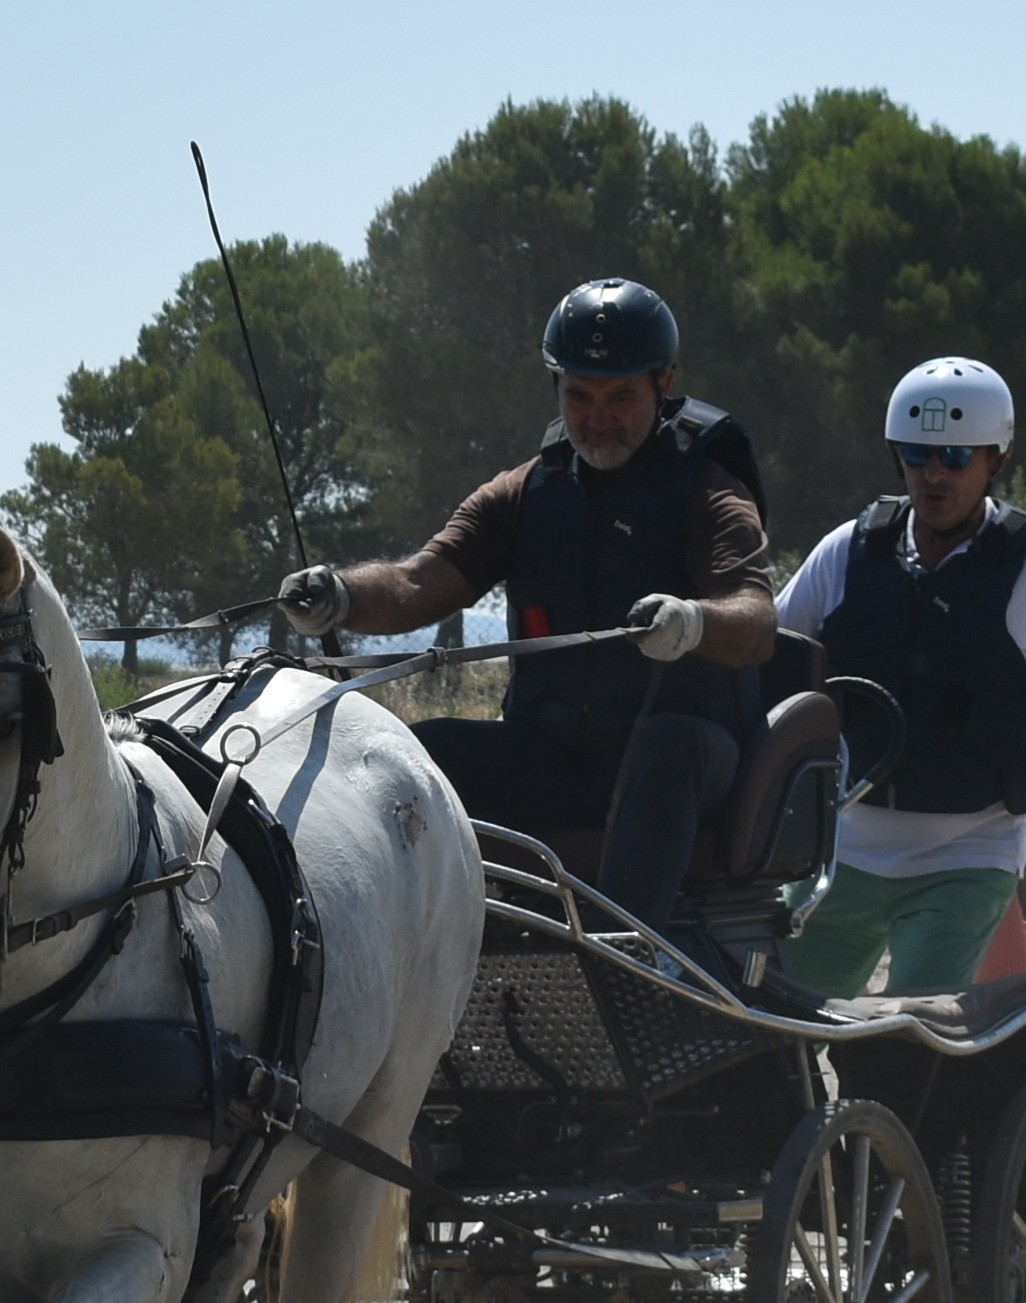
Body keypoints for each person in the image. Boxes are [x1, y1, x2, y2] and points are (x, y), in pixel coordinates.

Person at [274, 278, 775, 927]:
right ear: (556, 387)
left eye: (621, 397)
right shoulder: (522, 495)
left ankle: (626, 959)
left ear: (664, 382)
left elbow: (756, 621)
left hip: (692, 764)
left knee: (669, 746)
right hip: (558, 757)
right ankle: (394, 948)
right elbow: (420, 582)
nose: (598, 417)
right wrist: (340, 597)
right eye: (580, 396)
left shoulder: (710, 489)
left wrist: (693, 622)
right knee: (417, 753)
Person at [769, 355, 1026, 997]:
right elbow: (771, 662)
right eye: (915, 456)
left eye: (956, 457)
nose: (932, 474)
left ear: (997, 457)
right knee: (774, 1033)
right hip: (841, 854)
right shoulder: (847, 553)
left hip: (967, 856)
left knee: (914, 1038)